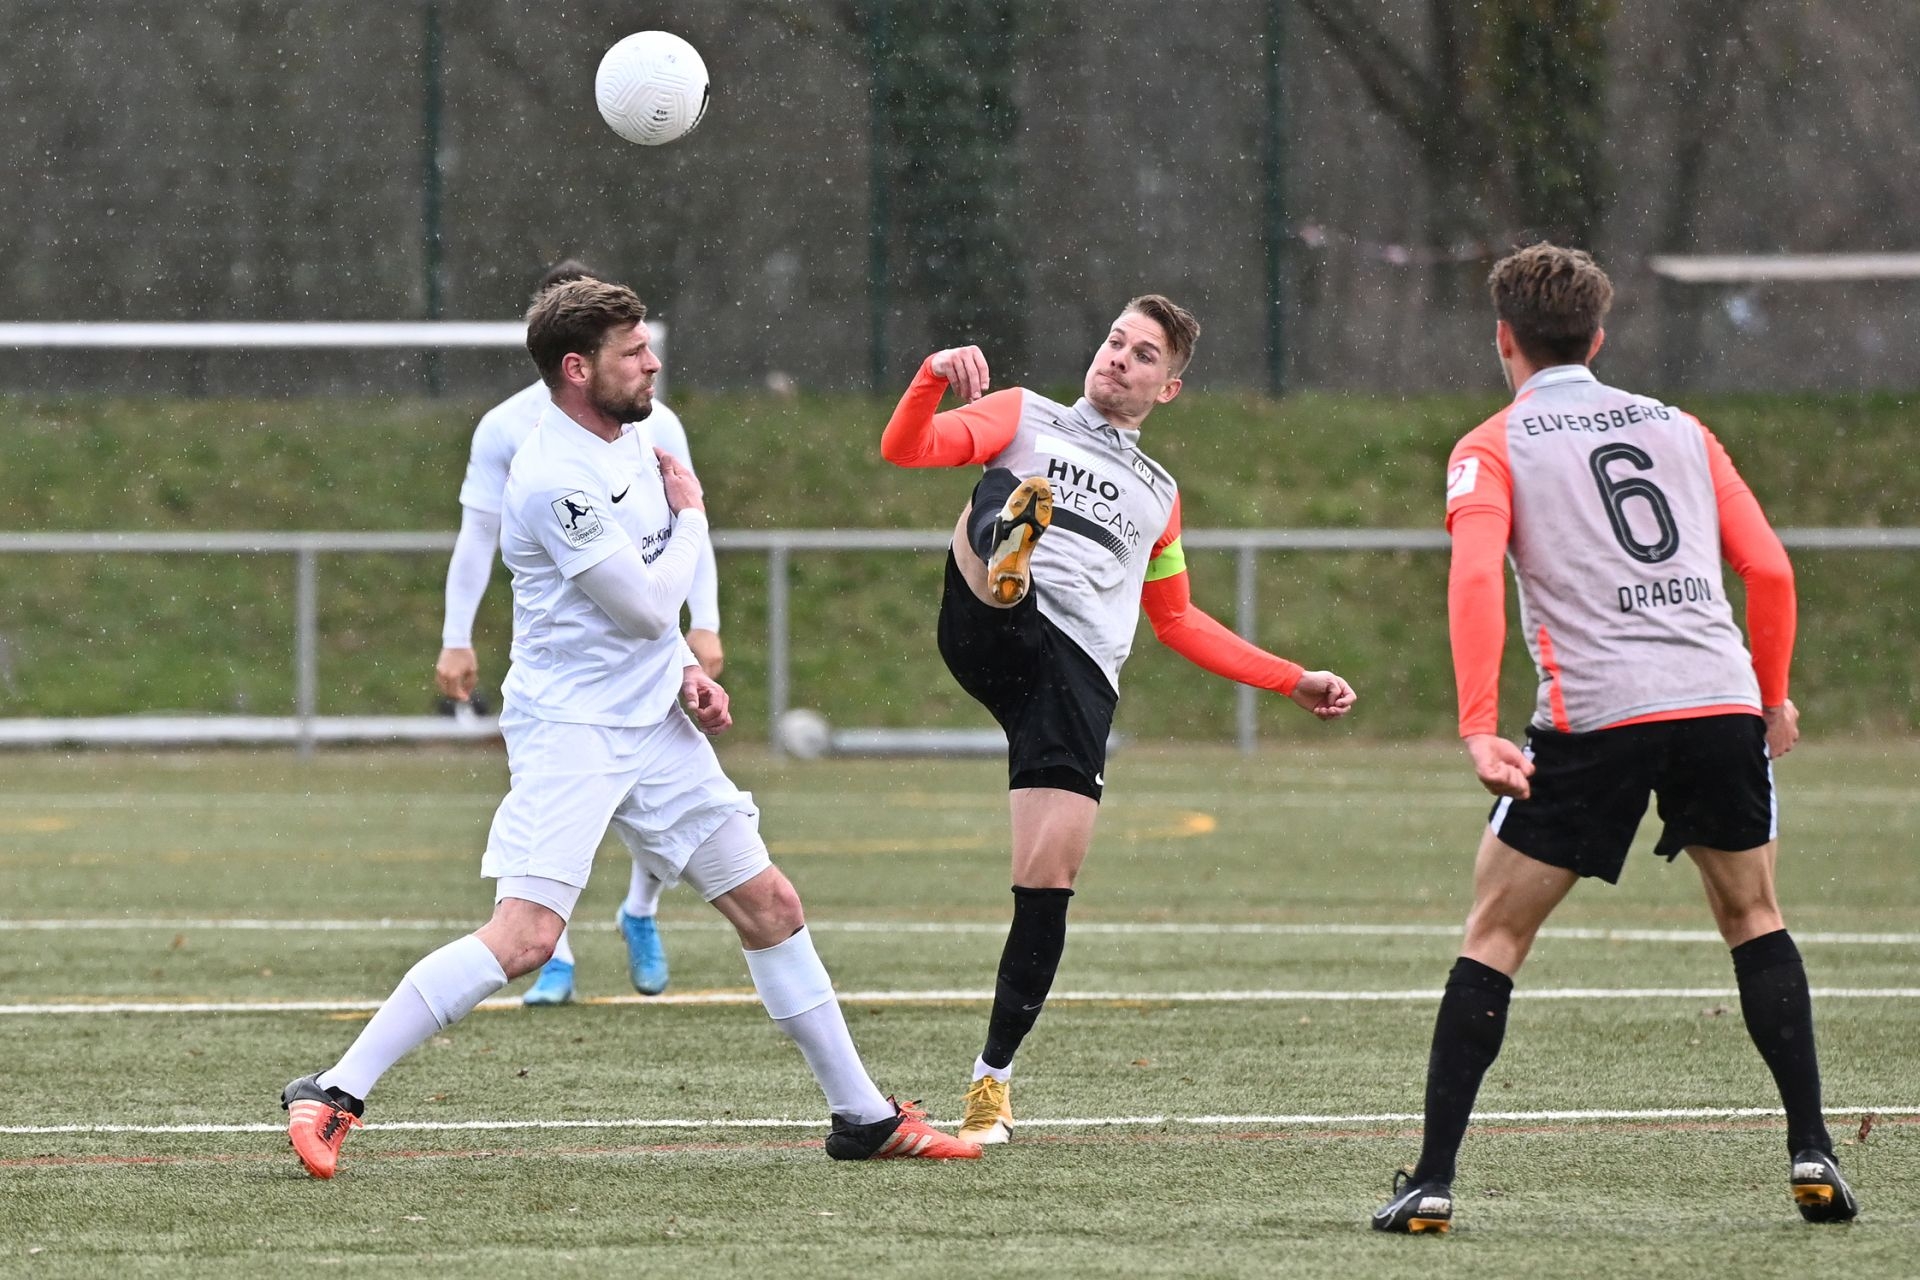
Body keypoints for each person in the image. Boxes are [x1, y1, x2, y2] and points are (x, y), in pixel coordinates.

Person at [283, 279, 976, 1178]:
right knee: (527, 938)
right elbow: (647, 603)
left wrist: (685, 670)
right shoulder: (552, 478)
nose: (652, 363)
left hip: (651, 723)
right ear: (577, 369)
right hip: (573, 729)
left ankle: (863, 1117)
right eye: (633, 352)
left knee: (770, 906)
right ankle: (332, 1090)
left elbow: (647, 614)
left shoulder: (639, 437)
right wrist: (694, 520)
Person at [1371, 244, 1857, 1233]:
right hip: (1716, 701)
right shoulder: (1682, 428)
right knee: (1754, 916)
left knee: (1495, 933)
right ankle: (1812, 1146)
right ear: (1597, 338)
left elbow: (1475, 575)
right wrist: (1771, 696)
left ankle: (1431, 1180)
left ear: (1503, 339)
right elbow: (1769, 570)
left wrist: (1477, 726)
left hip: (1596, 715)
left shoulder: (1492, 444)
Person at [879, 295, 1358, 1145]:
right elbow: (905, 448)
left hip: (1076, 679)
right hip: (997, 624)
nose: (1118, 358)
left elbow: (1177, 621)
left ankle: (992, 1083)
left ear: (1167, 388)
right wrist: (930, 376)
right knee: (1003, 494)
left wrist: (1291, 680)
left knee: (1047, 882)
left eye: (1143, 355)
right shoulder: (1022, 413)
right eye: (1114, 340)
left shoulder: (1159, 495)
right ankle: (1008, 554)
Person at [436, 259, 726, 1006]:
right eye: (630, 348)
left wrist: (701, 629)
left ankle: (641, 910)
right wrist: (456, 634)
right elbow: (479, 534)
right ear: (571, 354)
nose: (647, 362)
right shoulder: (512, 434)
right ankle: (554, 956)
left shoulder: (650, 420)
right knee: (538, 888)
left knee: (748, 880)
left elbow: (681, 523)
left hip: (649, 664)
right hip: (574, 686)